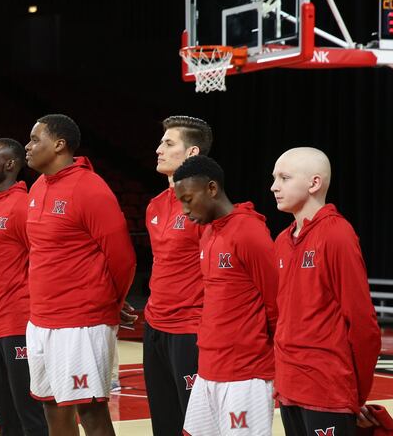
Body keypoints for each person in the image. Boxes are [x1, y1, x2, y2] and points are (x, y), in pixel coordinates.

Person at [24, 114, 135, 435]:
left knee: (90, 409)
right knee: (51, 403)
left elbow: (123, 259)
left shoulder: (90, 188)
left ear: (59, 145)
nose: (28, 147)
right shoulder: (38, 186)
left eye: (35, 139)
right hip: (41, 319)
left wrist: (111, 305)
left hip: (81, 321)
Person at [270, 147, 382, 435]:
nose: (274, 186)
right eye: (274, 178)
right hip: (289, 387)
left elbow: (363, 323)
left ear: (314, 183)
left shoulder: (337, 234)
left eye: (284, 178)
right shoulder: (282, 240)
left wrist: (357, 395)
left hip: (327, 391)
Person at [171, 156, 278, 435]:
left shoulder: (249, 232)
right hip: (209, 368)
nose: (184, 209)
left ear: (211, 189)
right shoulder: (207, 233)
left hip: (245, 373)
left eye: (188, 199)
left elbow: (277, 302)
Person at [143, 116, 212, 435]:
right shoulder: (155, 205)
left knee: (196, 426)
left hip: (191, 330)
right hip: (155, 327)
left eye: (169, 144)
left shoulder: (206, 207)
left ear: (192, 153)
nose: (159, 149)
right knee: (164, 423)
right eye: (161, 142)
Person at [0, 138, 48, 435]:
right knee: (4, 414)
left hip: (18, 322)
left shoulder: (23, 205)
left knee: (29, 413)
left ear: (9, 164)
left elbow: (42, 261)